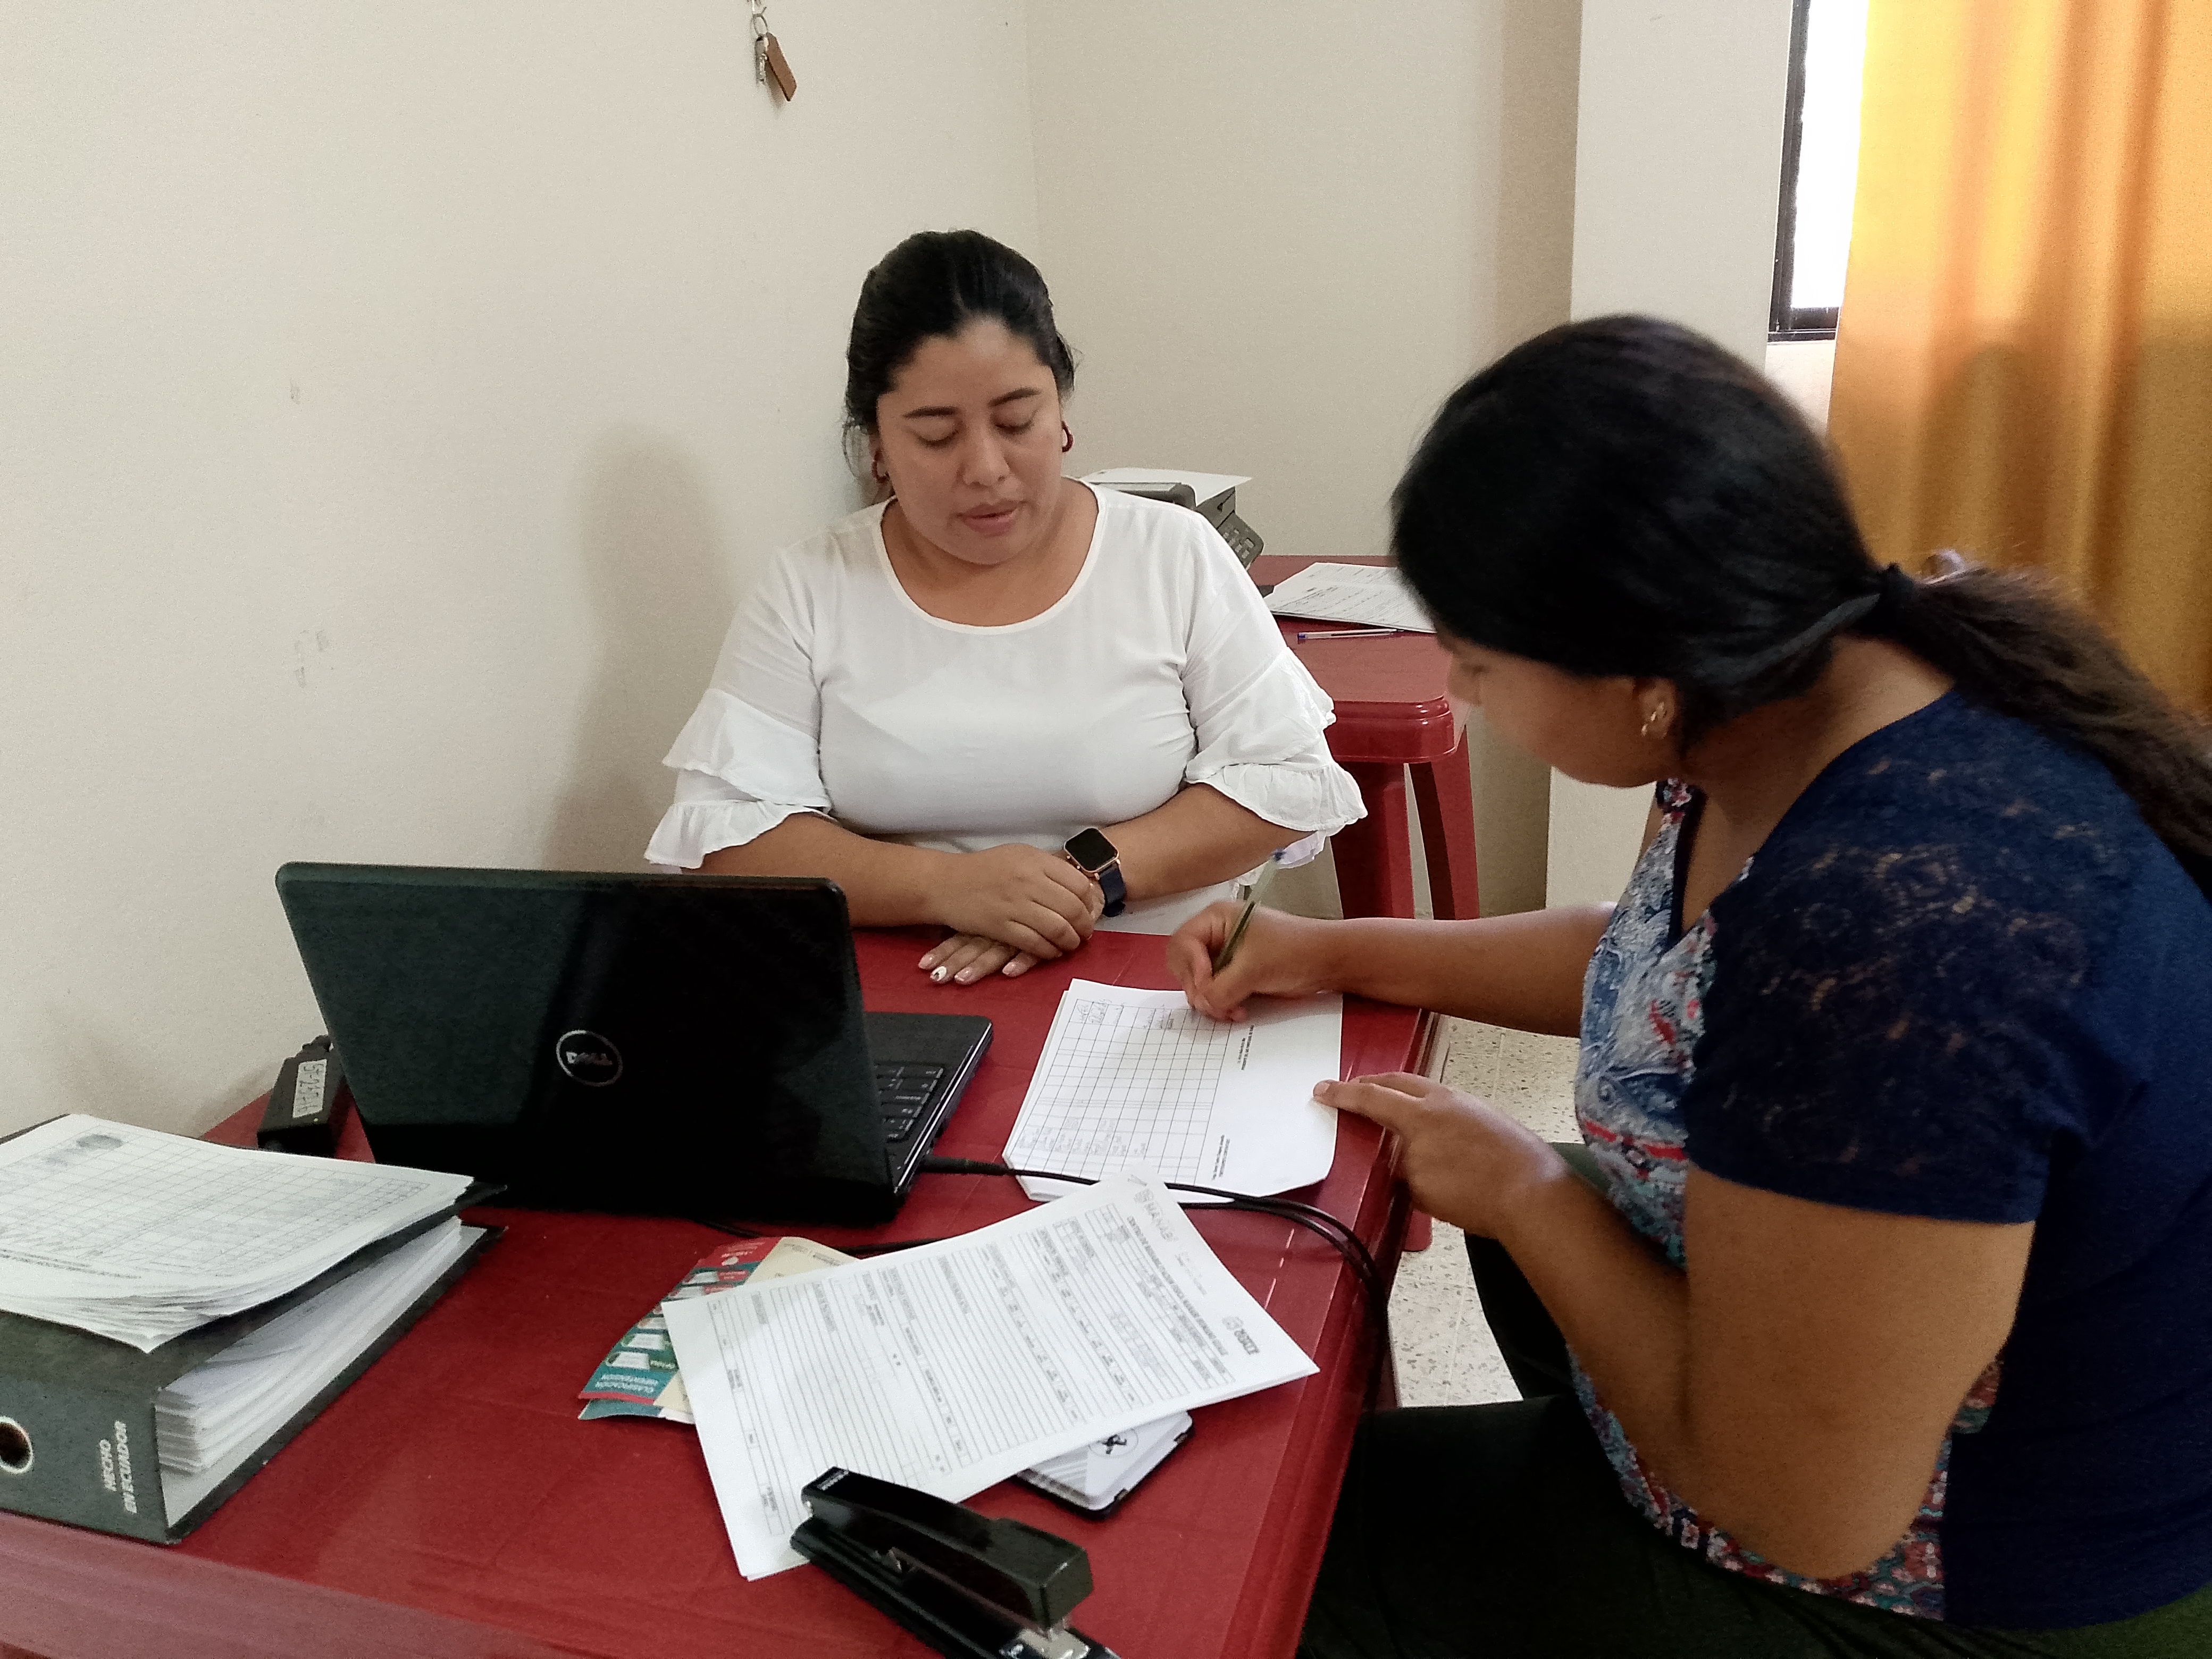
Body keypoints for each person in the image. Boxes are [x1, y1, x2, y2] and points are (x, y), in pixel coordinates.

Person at [1169, 317, 2212, 1656]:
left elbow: (1805, 1512)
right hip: (1919, 1417)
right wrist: (1331, 949)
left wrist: (1529, 1193)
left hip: (1984, 1583)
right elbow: (1652, 962)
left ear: (1636, 676)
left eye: (1476, 663)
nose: (1462, 694)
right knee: (1510, 1253)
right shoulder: (1821, 688)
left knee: (1277, 1545)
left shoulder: (1884, 934)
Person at [647, 229, 1361, 983]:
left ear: (1061, 415)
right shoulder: (810, 585)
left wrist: (1077, 882)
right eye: (936, 436)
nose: (986, 469)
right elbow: (728, 835)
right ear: (877, 446)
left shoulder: (1172, 553)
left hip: (1156, 973)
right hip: (897, 983)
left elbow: (1282, 782)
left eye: (1018, 422)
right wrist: (948, 888)